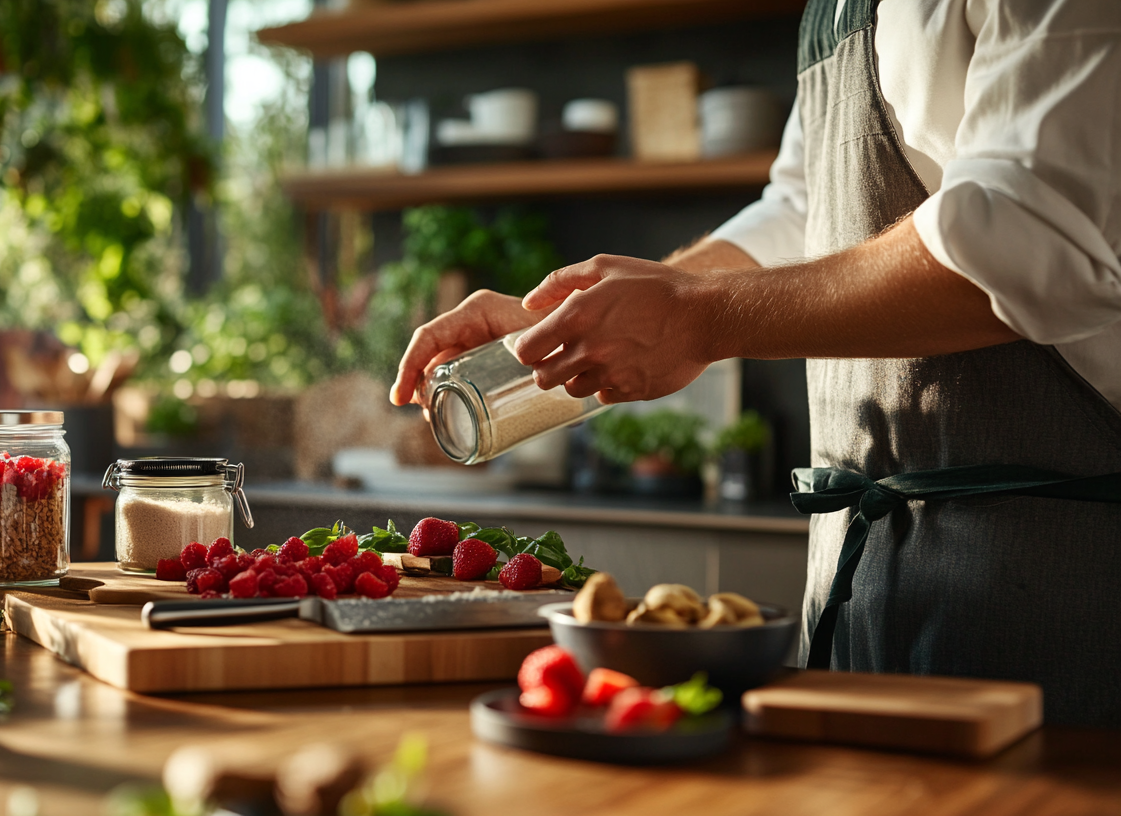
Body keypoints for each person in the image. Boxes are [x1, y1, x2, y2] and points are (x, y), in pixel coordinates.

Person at [389, 0, 1121, 727]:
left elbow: (1028, 230)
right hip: (856, 584)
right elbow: (800, 211)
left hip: (1055, 587)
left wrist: (698, 318)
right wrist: (577, 319)